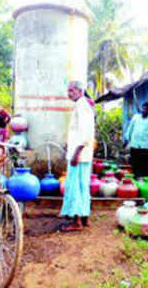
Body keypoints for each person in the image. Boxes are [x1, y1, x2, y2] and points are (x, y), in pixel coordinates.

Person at [60, 80, 95, 231]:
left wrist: (76, 153)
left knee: (74, 186)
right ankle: (84, 218)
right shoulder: (81, 105)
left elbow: (85, 133)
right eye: (68, 91)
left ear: (80, 92)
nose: (69, 94)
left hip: (79, 154)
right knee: (82, 186)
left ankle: (76, 222)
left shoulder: (82, 106)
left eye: (72, 91)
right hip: (81, 153)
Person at [124, 102, 148, 179]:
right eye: (143, 108)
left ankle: (144, 180)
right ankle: (135, 180)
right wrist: (127, 139)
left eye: (146, 109)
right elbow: (130, 129)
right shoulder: (135, 117)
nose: (144, 110)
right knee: (134, 163)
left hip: (145, 147)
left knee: (145, 165)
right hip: (134, 145)